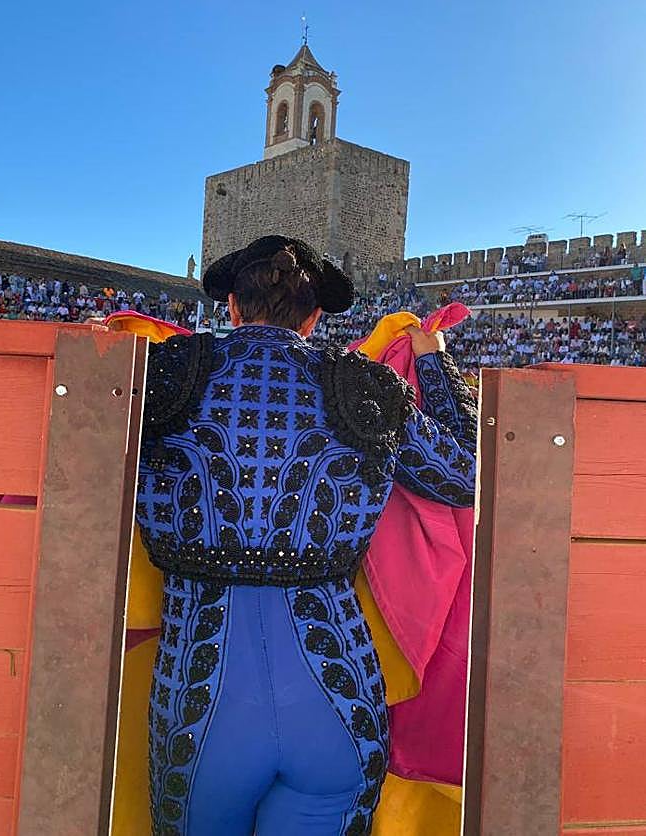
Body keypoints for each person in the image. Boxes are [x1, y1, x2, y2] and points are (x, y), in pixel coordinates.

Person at [136, 235, 477, 835]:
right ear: (315, 318)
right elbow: (467, 474)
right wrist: (433, 361)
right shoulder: (365, 386)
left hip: (199, 695)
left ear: (232, 307)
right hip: (337, 693)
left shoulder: (163, 373)